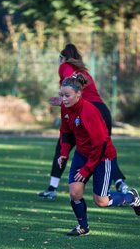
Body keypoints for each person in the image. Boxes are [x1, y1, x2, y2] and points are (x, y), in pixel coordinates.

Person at [57, 73, 140, 236]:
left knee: (101, 201)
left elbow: (100, 144)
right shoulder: (65, 108)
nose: (64, 99)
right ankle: (83, 227)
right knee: (74, 192)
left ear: (78, 94)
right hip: (82, 154)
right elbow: (66, 131)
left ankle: (131, 197)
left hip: (102, 157)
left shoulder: (89, 112)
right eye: (62, 95)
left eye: (67, 95)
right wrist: (64, 153)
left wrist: (86, 170)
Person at [39, 43, 128, 199]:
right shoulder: (83, 71)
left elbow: (70, 85)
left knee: (64, 145)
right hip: (102, 111)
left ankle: (52, 188)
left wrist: (62, 99)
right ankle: (120, 182)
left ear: (63, 58)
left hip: (86, 112)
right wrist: (62, 101)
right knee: (103, 149)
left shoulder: (65, 66)